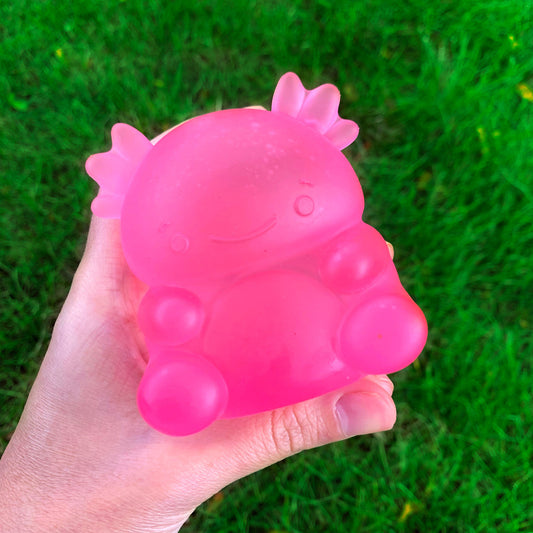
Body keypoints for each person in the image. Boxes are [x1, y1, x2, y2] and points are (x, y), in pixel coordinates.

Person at [0, 118, 397, 532]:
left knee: (358, 264)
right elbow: (166, 319)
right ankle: (188, 383)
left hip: (329, 319)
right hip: (229, 360)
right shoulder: (177, 282)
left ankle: (373, 324)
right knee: (178, 329)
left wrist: (355, 259)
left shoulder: (325, 234)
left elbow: (359, 253)